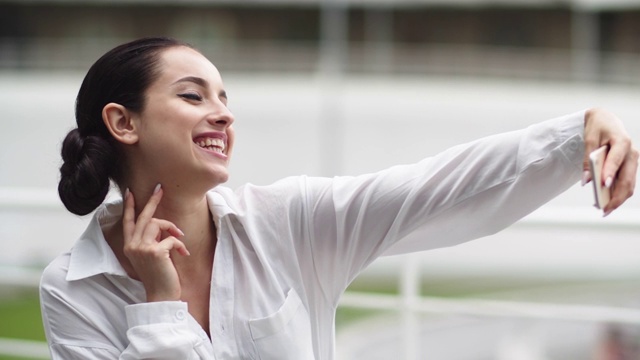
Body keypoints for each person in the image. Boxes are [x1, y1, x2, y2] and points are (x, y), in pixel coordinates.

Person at [39, 37, 638, 360]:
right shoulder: (70, 291)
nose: (223, 112)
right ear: (123, 122)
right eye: (193, 96)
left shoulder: (288, 222)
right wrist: (160, 307)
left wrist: (574, 134)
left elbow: (432, 188)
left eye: (224, 96)